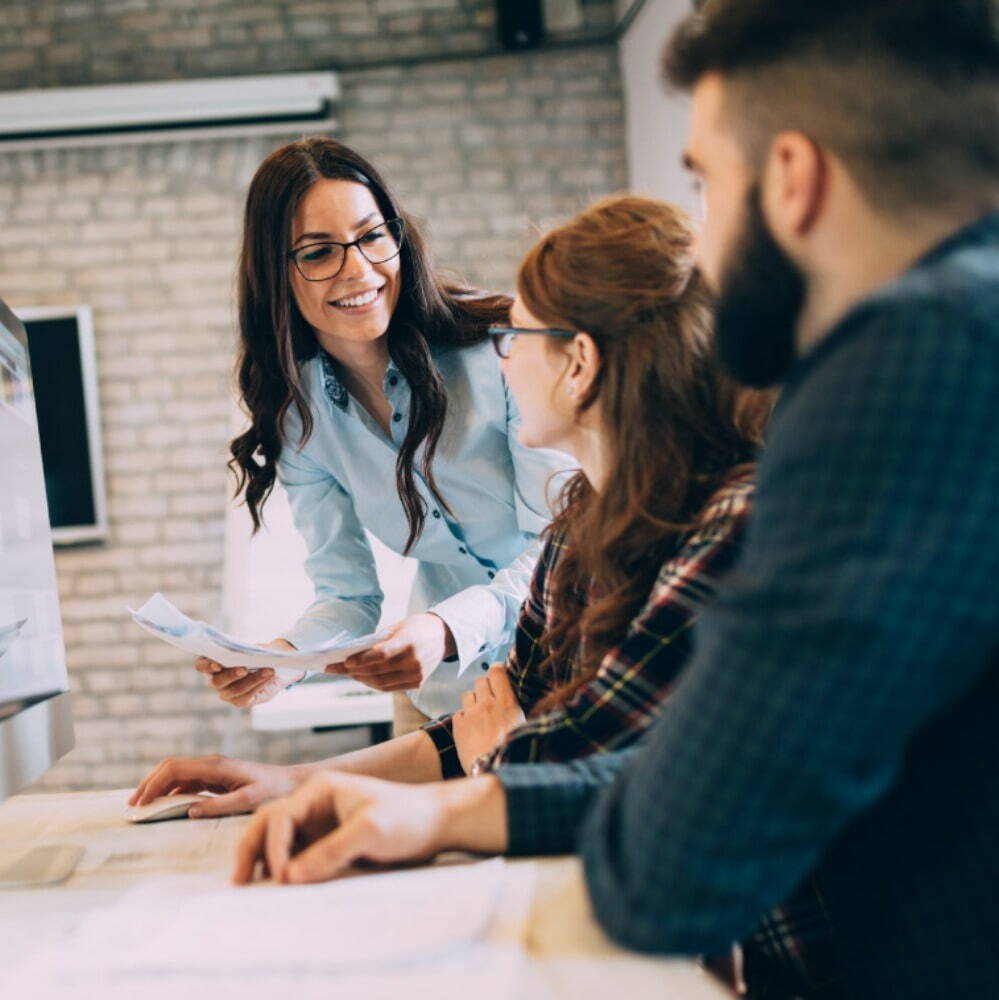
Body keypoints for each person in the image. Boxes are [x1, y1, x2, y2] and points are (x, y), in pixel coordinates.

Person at [228, 3, 999, 999]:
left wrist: (494, 756)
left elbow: (672, 851)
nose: (702, 255)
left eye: (706, 184)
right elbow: (674, 784)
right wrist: (420, 791)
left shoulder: (906, 368)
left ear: (795, 180)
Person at [131, 194, 769, 820]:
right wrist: (284, 766)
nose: (504, 351)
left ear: (578, 363)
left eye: (518, 332)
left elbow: (584, 782)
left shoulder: (719, 537)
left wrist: (491, 759)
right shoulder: (578, 531)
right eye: (320, 251)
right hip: (455, 704)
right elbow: (510, 735)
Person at [200, 137, 570, 735]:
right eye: (319, 253)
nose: (360, 271)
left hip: (568, 676)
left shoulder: (502, 350)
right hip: (444, 700)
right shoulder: (301, 418)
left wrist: (446, 629)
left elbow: (560, 549)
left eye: (373, 236)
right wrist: (283, 661)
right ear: (276, 274)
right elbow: (348, 595)